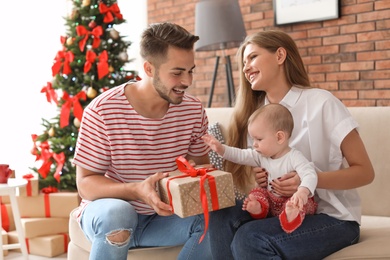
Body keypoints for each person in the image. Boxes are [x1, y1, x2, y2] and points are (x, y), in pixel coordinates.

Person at [208, 29, 375, 260]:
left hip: (334, 219)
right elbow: (261, 171)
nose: (245, 68)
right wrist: (265, 178)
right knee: (221, 213)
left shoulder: (322, 103)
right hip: (280, 212)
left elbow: (365, 172)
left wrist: (307, 182)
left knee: (250, 238)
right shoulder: (257, 118)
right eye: (243, 62)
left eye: (253, 57)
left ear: (279, 56)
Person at [72, 22, 212, 260]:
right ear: (149, 69)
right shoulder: (103, 110)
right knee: (119, 213)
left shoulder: (192, 110)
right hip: (111, 214)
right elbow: (85, 183)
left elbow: (200, 168)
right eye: (177, 73)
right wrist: (137, 190)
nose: (187, 81)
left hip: (164, 219)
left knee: (219, 218)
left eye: (191, 71)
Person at [202, 103, 318, 233]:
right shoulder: (260, 155)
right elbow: (240, 155)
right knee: (257, 192)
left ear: (279, 137)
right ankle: (258, 208)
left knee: (301, 203)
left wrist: (302, 191)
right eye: (253, 139)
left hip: (290, 200)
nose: (254, 145)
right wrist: (221, 149)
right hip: (271, 200)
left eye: (259, 139)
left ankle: (291, 216)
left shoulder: (294, 157)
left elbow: (310, 174)